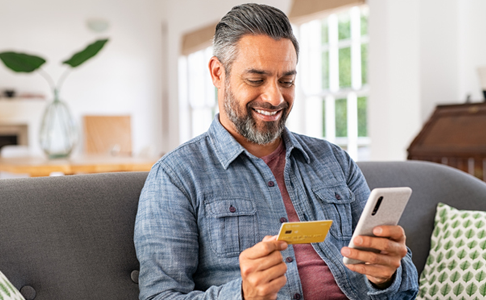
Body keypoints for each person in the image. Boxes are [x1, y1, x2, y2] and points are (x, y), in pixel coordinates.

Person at [134, 3, 418, 300]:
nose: (275, 97)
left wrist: (388, 275)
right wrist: (242, 295)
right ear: (218, 73)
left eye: (287, 81)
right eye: (256, 80)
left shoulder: (335, 161)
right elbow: (160, 296)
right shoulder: (176, 176)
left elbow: (406, 285)